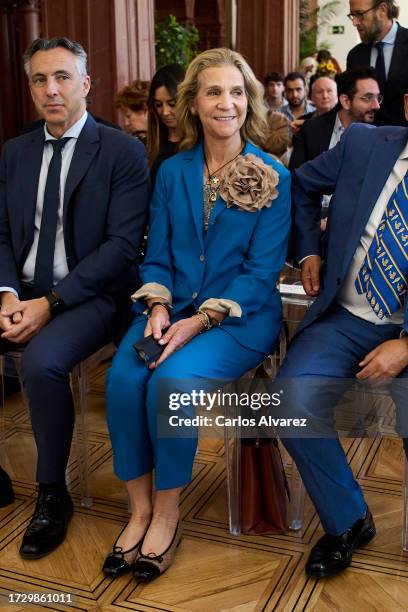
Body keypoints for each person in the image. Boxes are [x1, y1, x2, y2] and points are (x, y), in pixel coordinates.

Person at [103, 47, 291, 583]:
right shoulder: (171, 170)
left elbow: (260, 273)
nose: (225, 102)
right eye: (213, 91)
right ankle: (137, 510)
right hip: (172, 308)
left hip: (239, 318)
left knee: (173, 382)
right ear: (193, 103)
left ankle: (167, 512)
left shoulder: (272, 175)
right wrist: (161, 304)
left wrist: (198, 321)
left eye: (236, 91)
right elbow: (155, 252)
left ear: (248, 102)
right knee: (121, 379)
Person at [0, 37, 150, 558]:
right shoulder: (15, 152)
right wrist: (6, 293)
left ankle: (51, 494)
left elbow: (121, 248)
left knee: (41, 363)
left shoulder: (122, 151)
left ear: (86, 84)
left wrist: (52, 303)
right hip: (21, 291)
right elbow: (0, 233)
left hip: (94, 297)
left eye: (62, 77)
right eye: (40, 79)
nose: (51, 89)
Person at [276, 91, 408, 579]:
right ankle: (347, 519)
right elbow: (299, 185)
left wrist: (405, 345)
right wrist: (309, 249)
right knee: (290, 402)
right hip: (346, 316)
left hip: (404, 327)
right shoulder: (363, 143)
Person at [290, 67, 381, 170]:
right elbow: (296, 177)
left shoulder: (380, 136)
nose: (376, 106)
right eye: (368, 98)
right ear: (346, 101)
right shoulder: (310, 130)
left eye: (378, 98)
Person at [346, 0, 408, 126]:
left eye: (359, 14)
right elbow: (347, 103)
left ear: (382, 10)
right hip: (367, 141)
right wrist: (312, 124)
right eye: (352, 15)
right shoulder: (355, 56)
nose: (355, 22)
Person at [147, 64, 185, 186]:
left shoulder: (206, 144)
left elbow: (214, 187)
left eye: (172, 103)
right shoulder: (146, 146)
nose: (165, 112)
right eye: (158, 105)